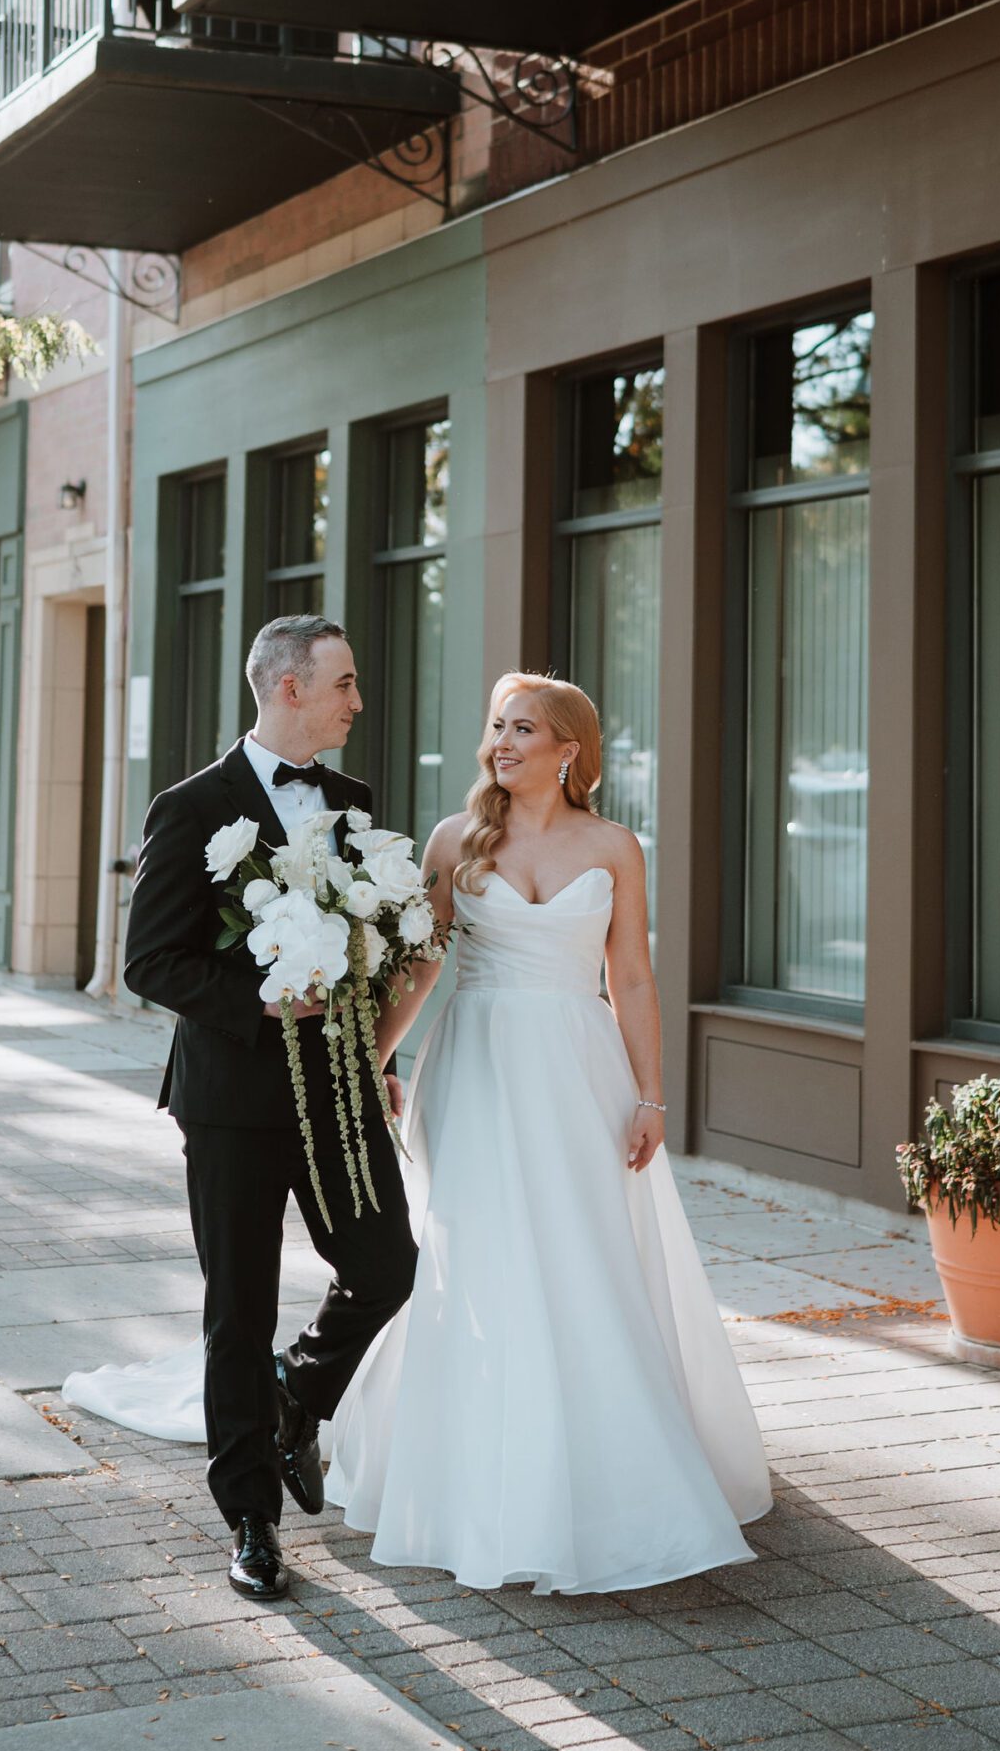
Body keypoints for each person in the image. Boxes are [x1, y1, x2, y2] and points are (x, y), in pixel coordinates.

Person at [327, 672, 771, 1592]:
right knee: (478, 1255)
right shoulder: (456, 840)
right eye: (496, 726)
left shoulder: (614, 845)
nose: (502, 744)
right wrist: (375, 1056)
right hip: (477, 1070)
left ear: (569, 749)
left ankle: (606, 1473)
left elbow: (634, 980)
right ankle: (473, 1477)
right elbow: (419, 967)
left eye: (522, 728)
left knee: (579, 1254)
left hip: (577, 1070)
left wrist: (650, 1096)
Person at [103, 615, 417, 1602]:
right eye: (343, 683)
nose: (355, 702)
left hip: (337, 1090)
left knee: (385, 1264)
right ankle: (249, 1519)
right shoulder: (192, 808)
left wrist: (374, 1044)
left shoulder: (351, 805)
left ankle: (297, 1395)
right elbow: (150, 960)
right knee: (236, 1310)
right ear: (287, 688)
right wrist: (262, 1002)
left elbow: (370, 941)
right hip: (233, 1098)